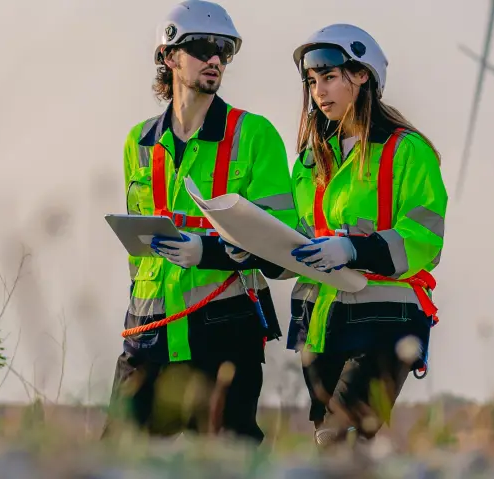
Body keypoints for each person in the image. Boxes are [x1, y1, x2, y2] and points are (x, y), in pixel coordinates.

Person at [102, 0, 296, 444]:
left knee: (228, 463)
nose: (215, 59)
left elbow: (281, 247)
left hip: (224, 335)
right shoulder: (139, 142)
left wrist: (205, 251)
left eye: (224, 51)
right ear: (169, 56)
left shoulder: (254, 135)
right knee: (116, 460)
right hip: (147, 335)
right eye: (204, 47)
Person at [282, 23, 448, 447]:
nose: (319, 92)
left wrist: (352, 248)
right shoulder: (309, 161)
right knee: (334, 445)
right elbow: (297, 233)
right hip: (320, 322)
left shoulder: (407, 151)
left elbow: (425, 238)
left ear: (363, 75)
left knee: (344, 438)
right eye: (313, 81)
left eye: (330, 77)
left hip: (385, 319)